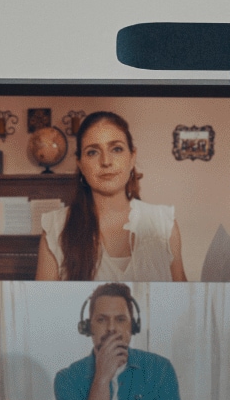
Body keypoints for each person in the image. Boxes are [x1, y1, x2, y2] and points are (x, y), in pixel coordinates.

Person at [37, 111, 188, 282]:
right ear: (80, 164)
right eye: (93, 152)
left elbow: (184, 300)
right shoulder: (55, 227)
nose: (106, 161)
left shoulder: (164, 224)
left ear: (132, 157)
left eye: (116, 149)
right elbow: (43, 305)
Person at [53, 282, 185, 400]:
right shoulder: (67, 379)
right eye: (102, 320)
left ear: (133, 326)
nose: (111, 328)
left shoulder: (160, 369)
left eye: (120, 319)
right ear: (88, 327)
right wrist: (102, 378)